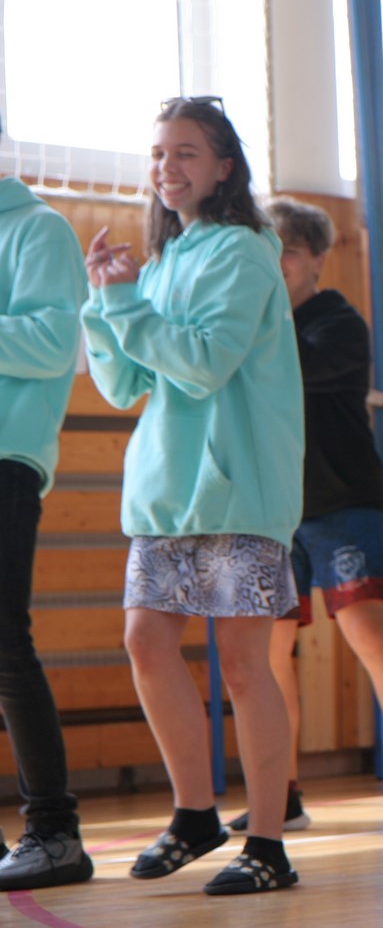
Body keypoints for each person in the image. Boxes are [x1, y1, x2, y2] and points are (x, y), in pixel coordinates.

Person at [80, 96, 301, 894]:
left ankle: (268, 842)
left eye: (186, 152)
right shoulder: (166, 259)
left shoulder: (244, 250)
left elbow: (205, 363)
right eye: (158, 153)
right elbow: (124, 384)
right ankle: (195, 812)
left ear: (223, 168)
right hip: (168, 491)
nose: (166, 167)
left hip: (239, 488)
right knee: (146, 641)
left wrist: (127, 306)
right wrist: (104, 301)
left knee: (243, 663)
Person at [226, 196, 383, 835]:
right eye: (268, 250)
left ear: (318, 259)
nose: (278, 262)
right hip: (271, 510)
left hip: (340, 502)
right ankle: (282, 791)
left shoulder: (338, 323)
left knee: (371, 633)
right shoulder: (250, 322)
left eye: (291, 251)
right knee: (271, 650)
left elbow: (284, 372)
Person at [0, 133, 94, 891]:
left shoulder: (39, 228)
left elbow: (52, 342)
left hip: (6, 455)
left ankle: (55, 831)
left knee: (4, 644)